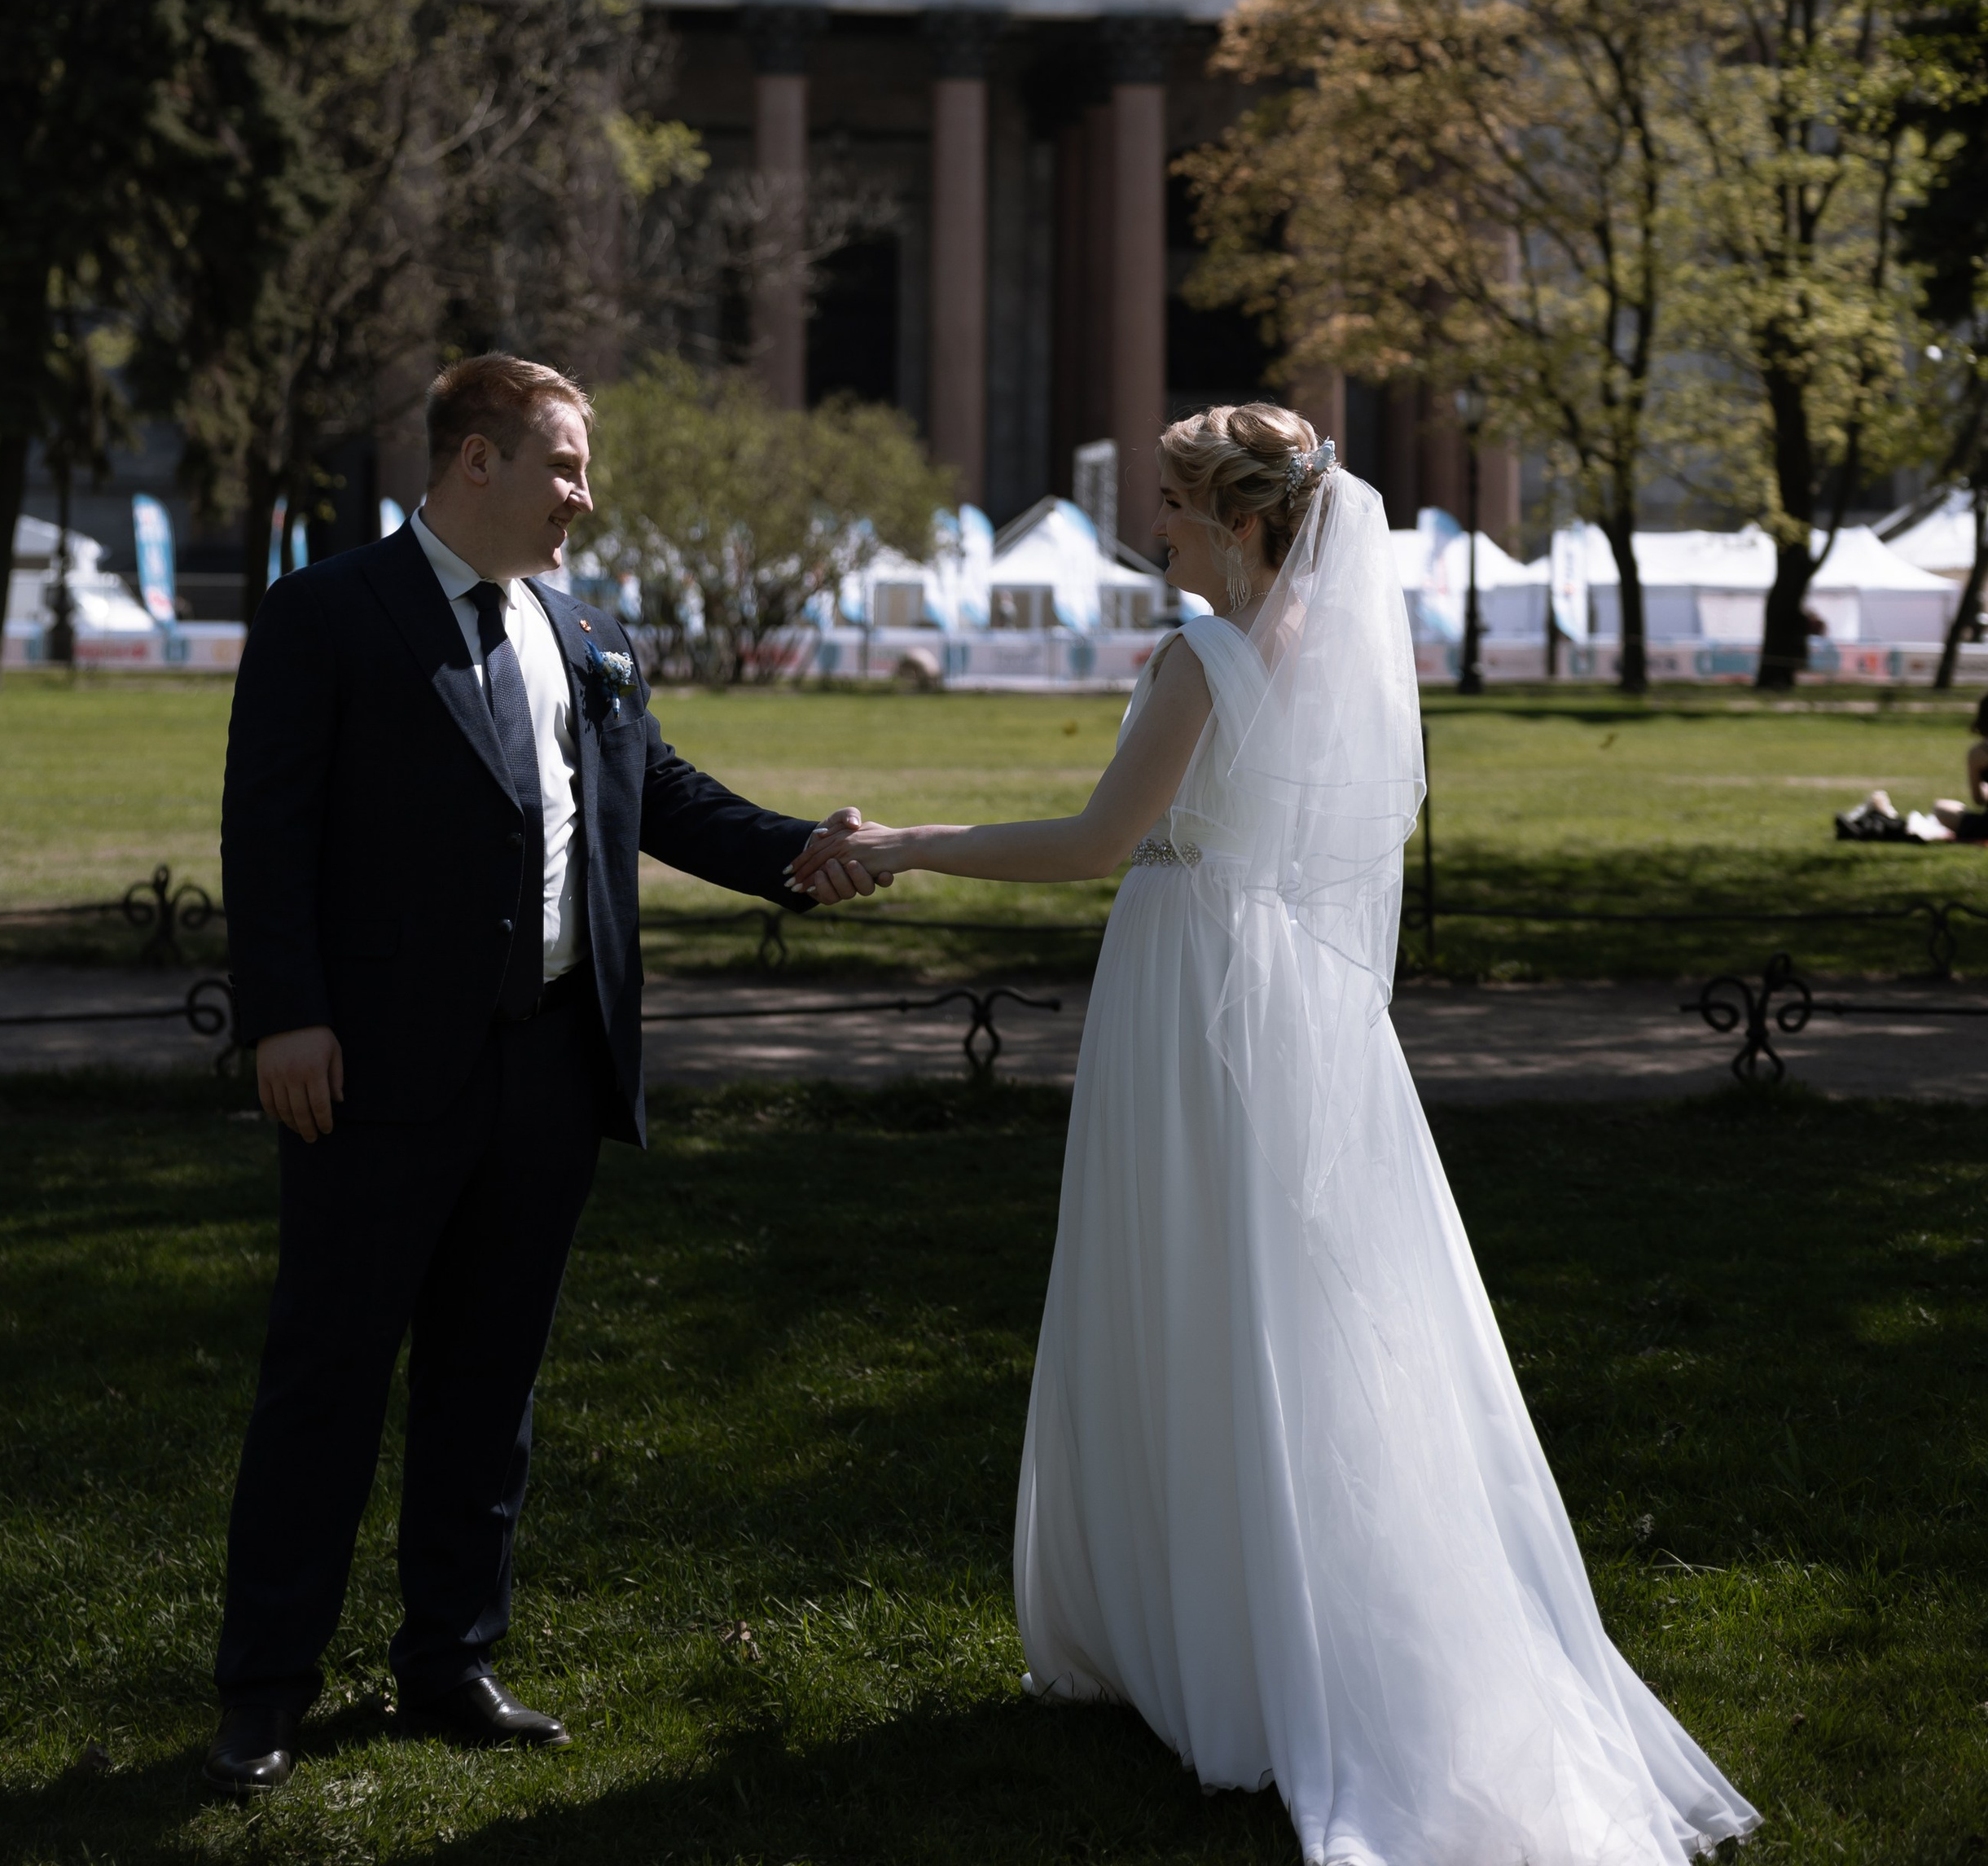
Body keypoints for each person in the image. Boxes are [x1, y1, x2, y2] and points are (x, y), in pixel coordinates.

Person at [797, 403, 1758, 1862]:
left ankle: (1220, 1651)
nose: (1156, 524)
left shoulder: (1204, 656)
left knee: (1194, 1294)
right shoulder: (1321, 653)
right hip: (1291, 1006)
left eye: (1176, 502)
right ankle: (1239, 1632)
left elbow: (1088, 845)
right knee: (1288, 1310)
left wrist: (898, 845)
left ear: (1241, 521)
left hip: (1193, 995)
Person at [206, 353, 880, 1798]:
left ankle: (449, 1664)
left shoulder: (584, 628)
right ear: (474, 462)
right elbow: (269, 831)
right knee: (325, 1381)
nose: (586, 493)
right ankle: (264, 1689)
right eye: (565, 464)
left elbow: (661, 796)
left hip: (552, 1070)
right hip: (368, 1074)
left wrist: (796, 855)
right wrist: (287, 1016)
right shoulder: (327, 614)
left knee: (488, 1384)